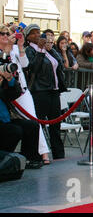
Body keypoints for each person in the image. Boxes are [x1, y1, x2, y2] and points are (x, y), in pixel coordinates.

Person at [2, 25, 50, 165]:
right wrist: (8, 49)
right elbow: (5, 67)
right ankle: (41, 153)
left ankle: (41, 153)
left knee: (33, 121)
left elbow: (25, 64)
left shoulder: (16, 48)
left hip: (21, 90)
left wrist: (20, 46)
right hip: (8, 92)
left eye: (8, 34)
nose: (7, 36)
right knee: (27, 123)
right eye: (3, 34)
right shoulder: (4, 52)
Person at [24, 24, 67, 160]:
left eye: (38, 32)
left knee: (56, 124)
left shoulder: (48, 49)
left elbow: (59, 64)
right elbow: (34, 68)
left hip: (54, 91)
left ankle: (59, 154)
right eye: (33, 33)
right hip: (40, 91)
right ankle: (38, 155)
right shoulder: (29, 50)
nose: (37, 35)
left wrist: (51, 49)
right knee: (40, 124)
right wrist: (41, 52)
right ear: (28, 37)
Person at [0, 69, 43, 169]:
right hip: (3, 124)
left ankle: (29, 159)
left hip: (6, 120)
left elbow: (15, 93)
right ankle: (5, 158)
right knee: (14, 131)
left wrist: (10, 79)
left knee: (32, 125)